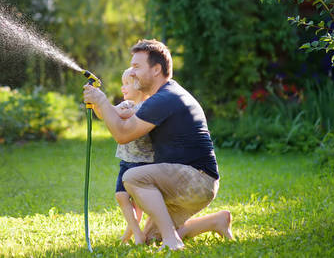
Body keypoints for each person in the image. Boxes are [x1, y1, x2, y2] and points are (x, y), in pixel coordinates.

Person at [83, 39, 232, 251]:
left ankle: (173, 240)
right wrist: (102, 104)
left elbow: (123, 135)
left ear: (156, 69)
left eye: (136, 67)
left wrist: (102, 101)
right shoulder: (161, 96)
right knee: (151, 238)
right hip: (187, 180)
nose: (132, 73)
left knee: (132, 177)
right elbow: (122, 123)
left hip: (197, 180)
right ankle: (215, 222)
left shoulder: (164, 98)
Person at [112, 68, 153, 245]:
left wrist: (102, 104)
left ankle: (135, 235)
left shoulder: (146, 107)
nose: (122, 88)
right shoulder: (126, 104)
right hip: (126, 162)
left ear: (140, 85)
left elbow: (118, 114)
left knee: (137, 203)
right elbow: (113, 111)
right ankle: (135, 232)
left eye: (127, 83)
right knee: (121, 196)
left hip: (142, 162)